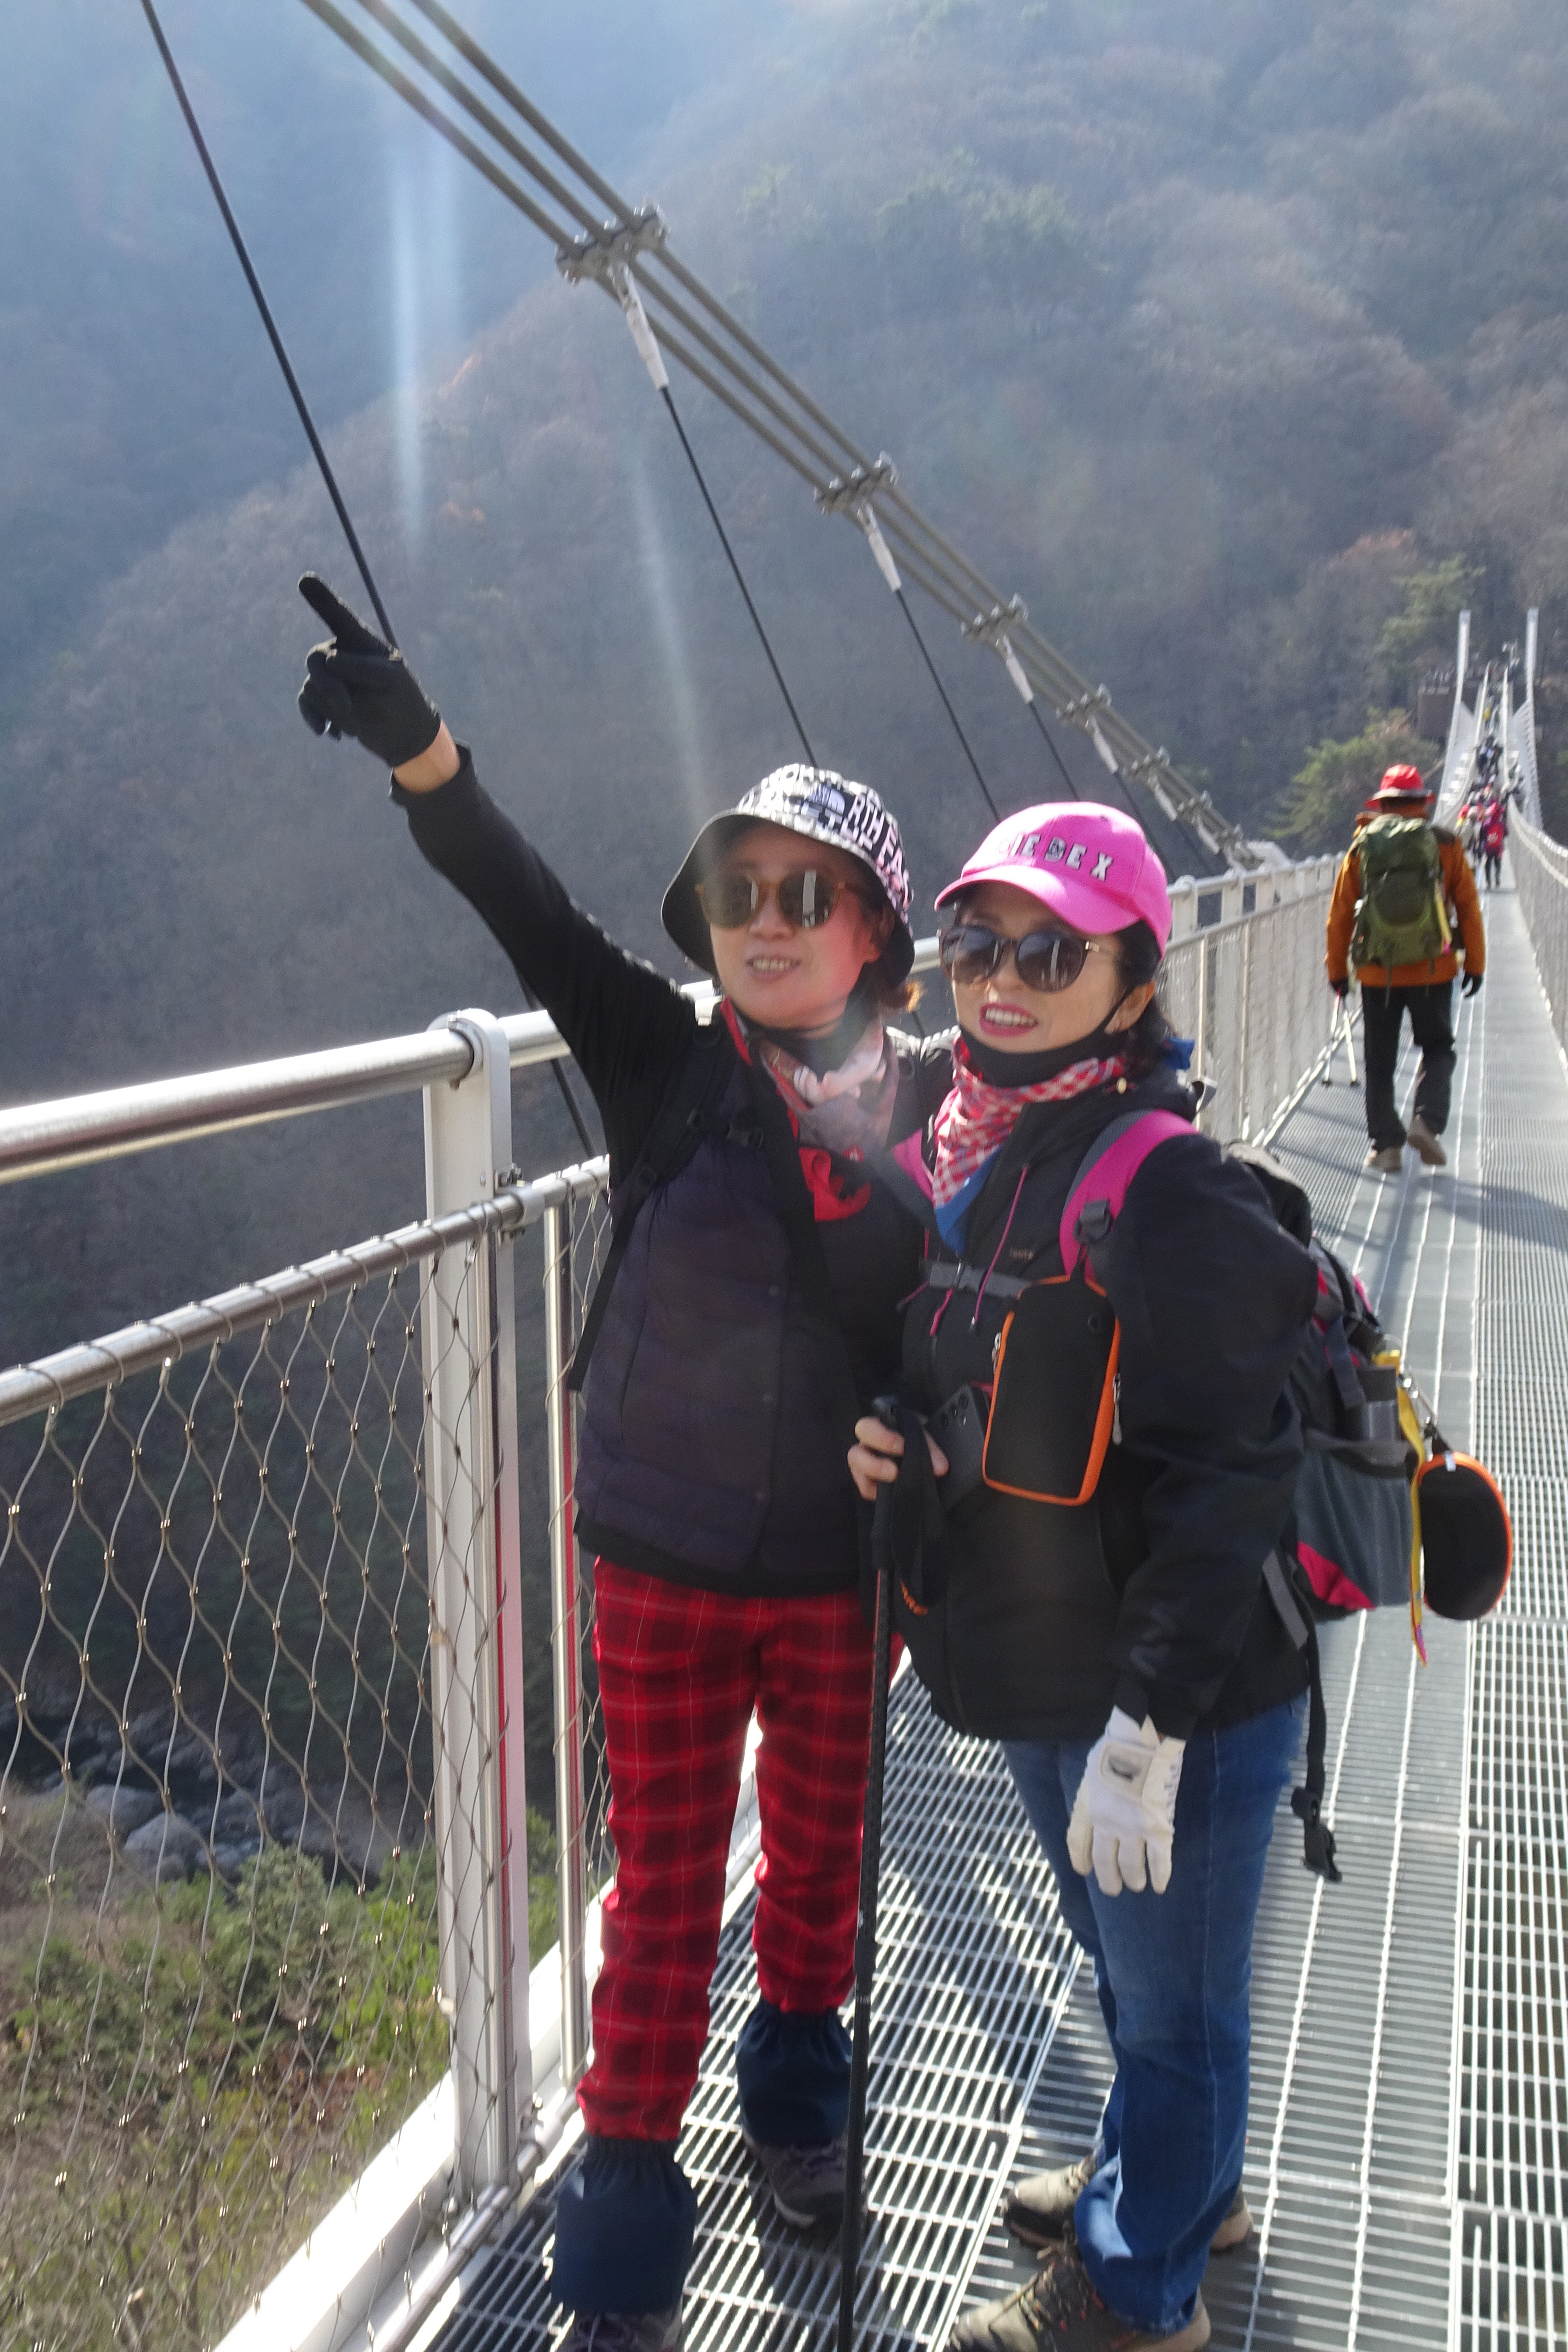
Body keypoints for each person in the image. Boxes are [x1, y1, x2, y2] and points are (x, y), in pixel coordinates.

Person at [293, 576, 952, 2352]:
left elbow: (968, 1336)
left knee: (816, 1867)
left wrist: (925, 1431)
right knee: (660, 1897)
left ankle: (795, 2112)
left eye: (804, 896)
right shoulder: (658, 1057)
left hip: (838, 1569)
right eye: (738, 894)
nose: (763, 922)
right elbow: (524, 908)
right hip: (655, 1560)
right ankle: (620, 2259)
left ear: (875, 939)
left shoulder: (934, 1114)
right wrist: (424, 756)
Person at [849, 801, 1318, 2352]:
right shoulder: (975, 1150)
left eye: (1053, 953)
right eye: (977, 943)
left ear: (1136, 982)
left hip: (1179, 1688)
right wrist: (898, 1430)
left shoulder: (1168, 1188)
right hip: (1054, 1659)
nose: (1001, 980)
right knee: (1134, 1970)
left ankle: (1136, 2294)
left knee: (1174, 2007)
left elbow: (1231, 1477)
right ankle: (1182, 2184)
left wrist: (1150, 1722)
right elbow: (985, 1364)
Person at [1325, 764, 1484, 1175]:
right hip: (1434, 968)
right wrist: (1476, 963)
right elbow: (1468, 906)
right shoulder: (1445, 845)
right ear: (1423, 804)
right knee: (1438, 1048)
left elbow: (1340, 915)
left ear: (1382, 805)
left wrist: (1337, 970)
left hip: (1378, 971)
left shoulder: (1362, 847)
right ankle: (1426, 1122)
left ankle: (1386, 1148)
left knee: (1379, 1060)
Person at [1480, 794, 1507, 890]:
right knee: (1498, 863)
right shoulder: (1501, 823)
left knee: (1488, 864)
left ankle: (1488, 882)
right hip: (1498, 847)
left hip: (1488, 847)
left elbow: (1482, 835)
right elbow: (1506, 833)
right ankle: (1497, 878)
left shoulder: (1487, 823)